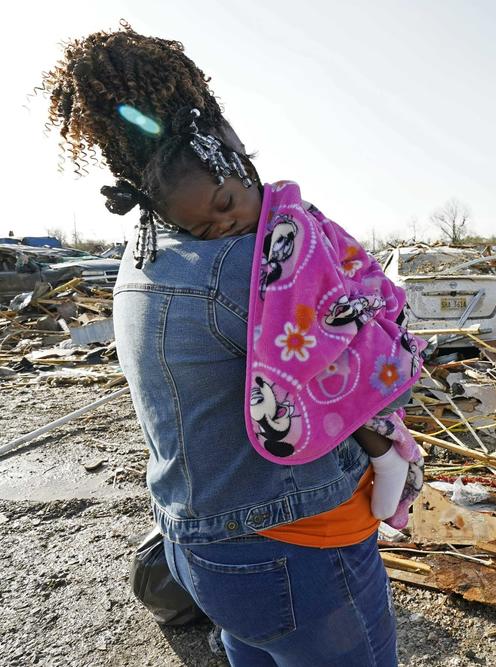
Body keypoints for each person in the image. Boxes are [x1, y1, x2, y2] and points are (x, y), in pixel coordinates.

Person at [42, 23, 398, 665]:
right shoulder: (254, 265)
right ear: (217, 141)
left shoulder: (146, 255)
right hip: (299, 541)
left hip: (203, 546)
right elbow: (347, 370)